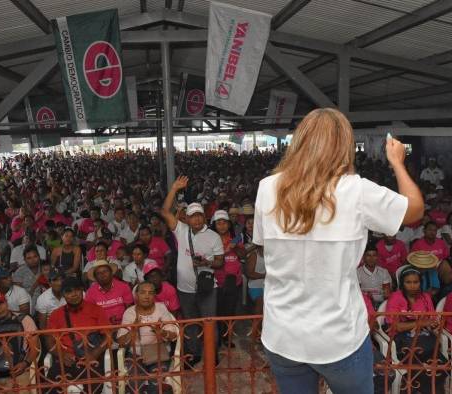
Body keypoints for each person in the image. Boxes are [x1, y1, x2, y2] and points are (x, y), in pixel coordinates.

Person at [251, 108, 423, 394]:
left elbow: (263, 244)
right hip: (338, 337)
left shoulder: (268, 188)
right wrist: (397, 162)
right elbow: (414, 209)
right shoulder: (357, 191)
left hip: (283, 334)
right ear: (344, 146)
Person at [161, 183, 224, 366]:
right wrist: (173, 189)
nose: (196, 220)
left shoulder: (213, 237)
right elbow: (165, 212)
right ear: (186, 219)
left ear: (204, 217)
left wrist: (207, 263)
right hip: (185, 288)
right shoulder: (181, 230)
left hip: (207, 289)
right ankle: (195, 354)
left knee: (209, 323)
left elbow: (220, 262)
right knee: (191, 323)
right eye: (192, 217)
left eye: (199, 216)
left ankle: (212, 354)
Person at [46, 277, 109, 394]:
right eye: (69, 291)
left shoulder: (96, 310)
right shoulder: (56, 314)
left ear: (82, 291)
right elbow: (49, 342)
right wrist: (62, 355)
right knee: (51, 384)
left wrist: (94, 354)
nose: (74, 294)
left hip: (91, 360)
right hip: (67, 360)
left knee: (92, 386)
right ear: (63, 295)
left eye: (77, 290)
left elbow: (108, 337)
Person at [385, 268, 443, 394]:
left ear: (420, 283)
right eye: (408, 282)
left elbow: (432, 319)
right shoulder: (396, 297)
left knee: (442, 367)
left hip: (424, 340)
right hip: (403, 342)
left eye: (415, 282)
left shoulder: (425, 297)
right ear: (402, 283)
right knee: (422, 372)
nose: (412, 286)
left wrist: (434, 324)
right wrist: (422, 323)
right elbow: (396, 326)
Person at [117, 281, 178, 394]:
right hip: (136, 355)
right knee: (135, 385)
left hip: (158, 353)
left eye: (150, 293)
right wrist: (133, 329)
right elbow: (121, 341)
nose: (147, 296)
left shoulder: (161, 308)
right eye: (143, 292)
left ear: (154, 296)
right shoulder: (129, 312)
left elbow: (174, 334)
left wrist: (161, 332)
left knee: (156, 382)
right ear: (136, 295)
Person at [211, 209, 244, 346]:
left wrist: (235, 247)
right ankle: (218, 337)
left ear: (229, 224)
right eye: (219, 223)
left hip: (234, 282)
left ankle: (227, 337)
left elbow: (242, 255)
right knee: (218, 312)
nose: (222, 226)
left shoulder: (235, 239)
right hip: (218, 283)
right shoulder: (211, 241)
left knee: (230, 312)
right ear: (215, 225)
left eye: (224, 223)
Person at [85, 260, 133, 325]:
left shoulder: (124, 286)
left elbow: (130, 309)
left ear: (111, 273)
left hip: (124, 325)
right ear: (95, 277)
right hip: (102, 328)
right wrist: (106, 321)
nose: (102, 274)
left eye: (105, 271)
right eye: (98, 273)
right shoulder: (90, 292)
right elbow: (91, 315)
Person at [357, 243, 391, 308]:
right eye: (368, 255)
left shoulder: (384, 272)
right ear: (363, 257)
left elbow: (387, 292)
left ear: (377, 257)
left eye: (374, 255)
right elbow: (356, 293)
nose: (371, 258)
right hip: (363, 304)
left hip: (381, 304)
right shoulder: (358, 272)